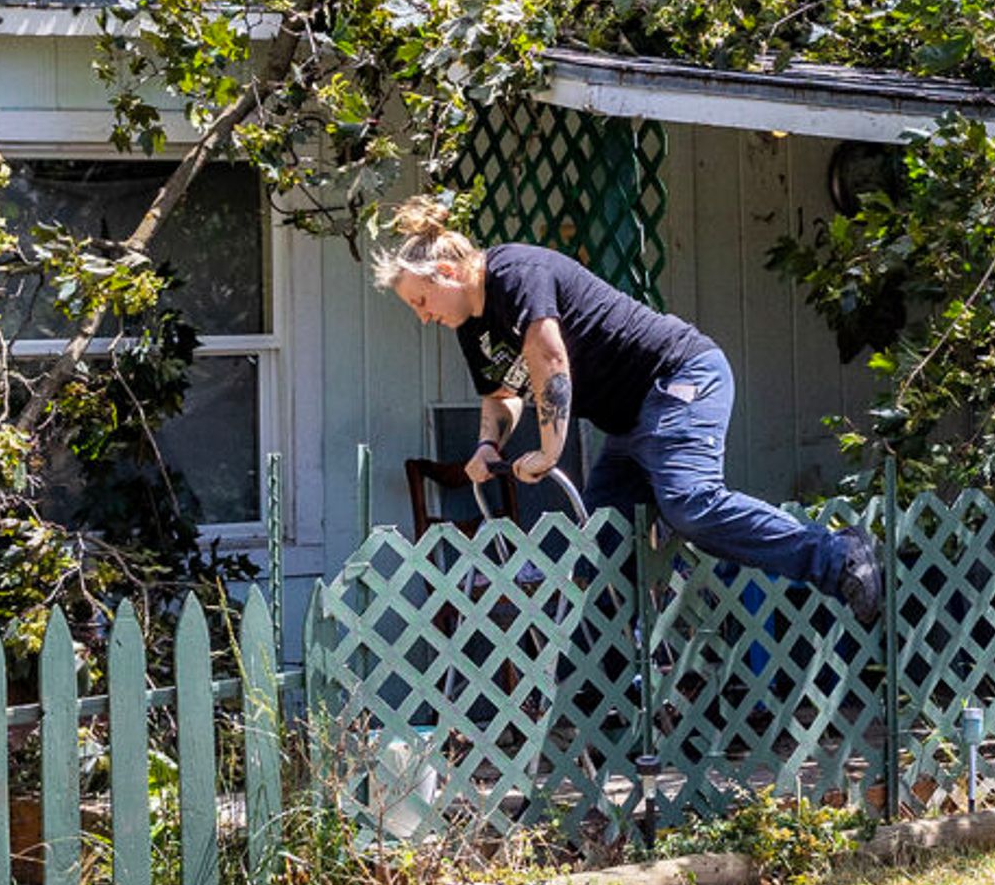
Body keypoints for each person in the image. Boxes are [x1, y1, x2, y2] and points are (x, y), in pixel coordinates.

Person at [374, 197, 885, 624]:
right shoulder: (473, 326)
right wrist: (489, 445)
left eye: (421, 301)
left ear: (445, 273)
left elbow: (548, 356)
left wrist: (550, 450)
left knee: (691, 506)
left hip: (679, 379)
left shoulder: (514, 272)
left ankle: (836, 556)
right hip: (628, 422)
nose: (423, 317)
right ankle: (606, 700)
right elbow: (501, 393)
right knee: (604, 547)